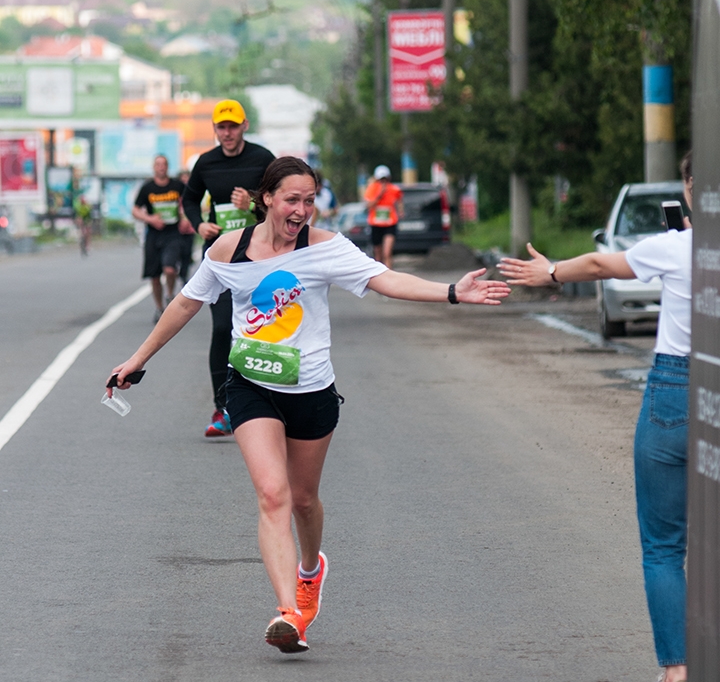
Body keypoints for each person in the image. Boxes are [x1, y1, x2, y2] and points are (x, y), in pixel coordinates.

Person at [108, 156, 511, 655]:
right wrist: (137, 359)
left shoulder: (325, 248)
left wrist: (451, 292)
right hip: (250, 385)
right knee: (272, 494)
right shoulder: (229, 249)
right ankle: (289, 614)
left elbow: (386, 279)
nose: (301, 210)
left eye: (309, 201)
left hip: (312, 392)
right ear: (267, 199)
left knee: (303, 500)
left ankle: (310, 569)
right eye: (292, 200)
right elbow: (187, 302)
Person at [498, 151, 693, 682]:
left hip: (677, 390)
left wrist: (550, 271)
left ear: (689, 187)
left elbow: (601, 264)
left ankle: (678, 675)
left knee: (664, 547)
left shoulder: (678, 247)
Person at [182, 98, 275, 437]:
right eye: (221, 127)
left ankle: (266, 404)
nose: (227, 133)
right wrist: (199, 224)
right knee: (222, 328)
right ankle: (222, 408)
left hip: (260, 258)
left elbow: (281, 200)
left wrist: (252, 203)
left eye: (233, 126)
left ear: (244, 126)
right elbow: (189, 198)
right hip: (221, 259)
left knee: (261, 329)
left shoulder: (263, 159)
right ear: (215, 129)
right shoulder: (206, 163)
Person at [132, 155, 185, 323]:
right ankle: (160, 307)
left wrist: (185, 217)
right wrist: (150, 219)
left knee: (170, 269)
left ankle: (169, 294)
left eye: (164, 164)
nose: (161, 167)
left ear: (168, 167)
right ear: (154, 167)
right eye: (158, 164)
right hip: (154, 235)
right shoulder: (147, 188)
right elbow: (135, 210)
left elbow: (188, 202)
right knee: (154, 276)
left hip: (172, 234)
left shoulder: (177, 186)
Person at [364, 165, 403, 269]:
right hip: (376, 224)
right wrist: (379, 195)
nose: (383, 182)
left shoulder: (394, 189)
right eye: (381, 180)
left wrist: (400, 211)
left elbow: (399, 200)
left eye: (385, 179)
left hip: (390, 224)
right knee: (378, 255)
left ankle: (389, 274)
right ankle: (379, 274)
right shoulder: (372, 189)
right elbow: (368, 205)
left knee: (387, 253)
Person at [177, 168, 197, 286]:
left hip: (189, 229)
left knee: (187, 253)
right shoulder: (175, 194)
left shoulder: (193, 194)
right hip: (176, 230)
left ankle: (184, 275)